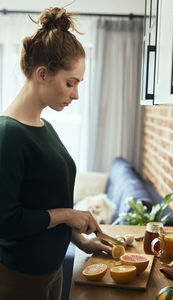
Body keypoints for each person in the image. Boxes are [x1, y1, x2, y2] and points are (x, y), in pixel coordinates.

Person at [0, 7, 112, 300]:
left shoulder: (44, 126)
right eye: (70, 83)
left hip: (52, 271)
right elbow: (6, 221)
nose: (75, 94)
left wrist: (80, 241)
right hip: (20, 278)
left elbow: (42, 204)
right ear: (42, 74)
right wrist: (68, 215)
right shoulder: (8, 135)